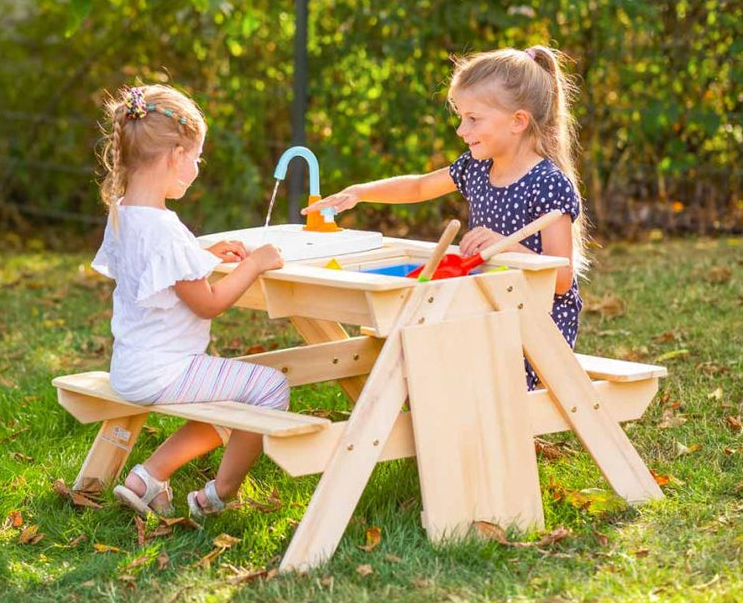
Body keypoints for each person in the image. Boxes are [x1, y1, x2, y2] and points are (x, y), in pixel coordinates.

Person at [303, 46, 588, 390]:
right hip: (485, 309)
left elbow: (560, 278)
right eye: (461, 117)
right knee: (413, 340)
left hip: (535, 329)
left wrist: (503, 247)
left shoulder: (548, 183)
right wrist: (360, 192)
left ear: (518, 121)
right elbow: (419, 187)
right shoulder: (476, 168)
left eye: (473, 118)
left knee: (423, 346)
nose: (460, 129)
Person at [91, 84, 288, 520]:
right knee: (269, 388)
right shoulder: (165, 229)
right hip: (164, 371)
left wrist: (204, 256)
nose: (197, 167)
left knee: (237, 391)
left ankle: (148, 477)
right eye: (197, 157)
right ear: (176, 156)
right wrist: (254, 264)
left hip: (130, 366)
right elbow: (210, 303)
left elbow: (161, 273)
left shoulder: (124, 213)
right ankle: (219, 494)